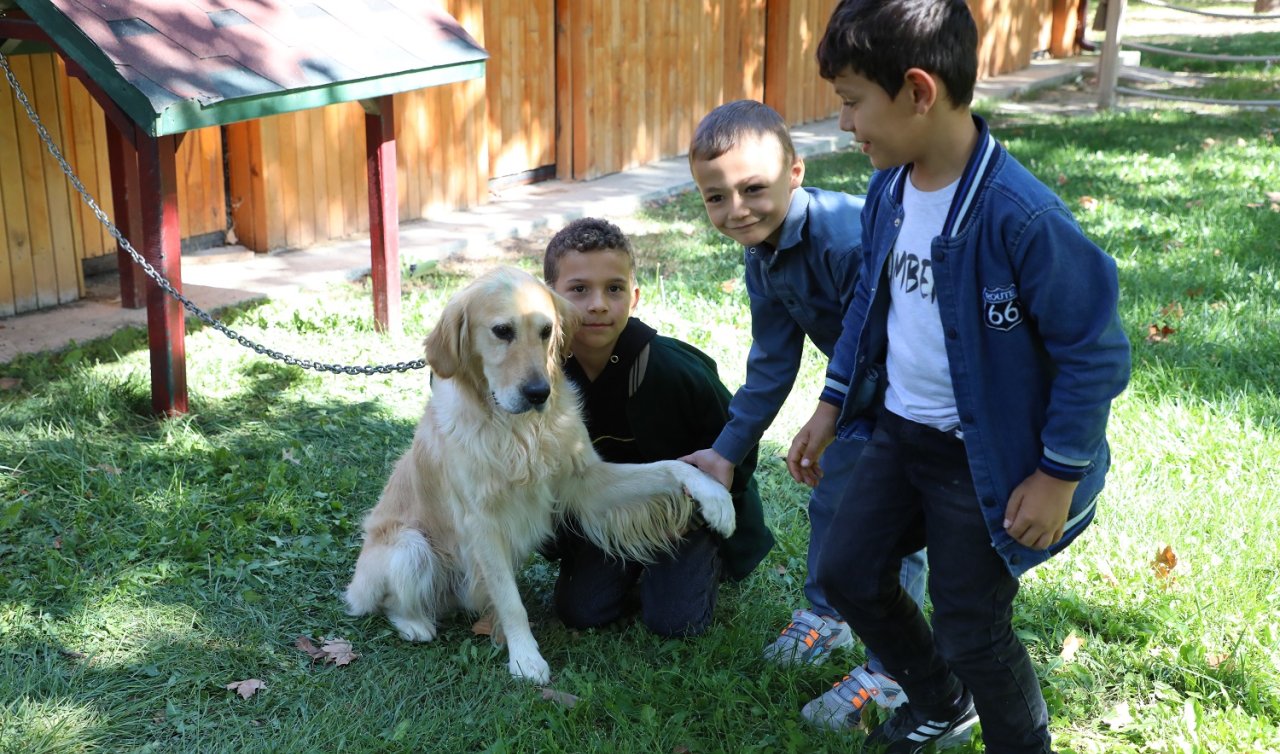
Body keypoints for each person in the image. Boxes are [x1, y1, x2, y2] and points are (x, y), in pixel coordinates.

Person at [797, 2, 1132, 751]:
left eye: (854, 103)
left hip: (980, 461)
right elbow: (866, 307)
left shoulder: (1021, 218)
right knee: (848, 573)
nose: (847, 125)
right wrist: (830, 402)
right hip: (900, 434)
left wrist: (1057, 475)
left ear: (919, 91)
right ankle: (942, 702)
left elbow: (1094, 353)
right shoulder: (888, 190)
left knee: (970, 625)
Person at [679, 99, 927, 727]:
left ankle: (897, 669)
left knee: (892, 527)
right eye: (715, 197)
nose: (735, 210)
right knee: (832, 502)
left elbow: (886, 342)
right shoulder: (762, 253)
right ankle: (830, 613)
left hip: (918, 401)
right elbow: (771, 362)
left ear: (795, 172)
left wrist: (831, 410)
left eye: (753, 188)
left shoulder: (844, 241)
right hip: (861, 402)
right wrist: (726, 451)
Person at [540, 217, 775, 638]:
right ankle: (627, 564)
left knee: (675, 622)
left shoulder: (674, 370)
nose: (597, 304)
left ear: (634, 296)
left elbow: (737, 442)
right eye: (578, 289)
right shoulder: (541, 373)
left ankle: (695, 563)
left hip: (681, 514)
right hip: (607, 514)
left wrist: (702, 510)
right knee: (581, 611)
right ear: (549, 298)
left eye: (613, 289)